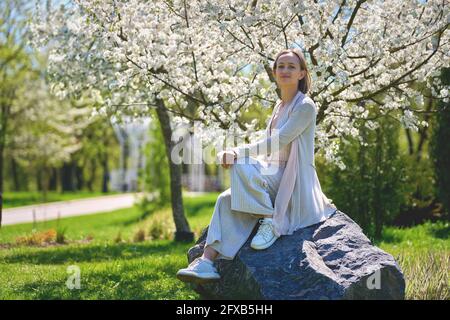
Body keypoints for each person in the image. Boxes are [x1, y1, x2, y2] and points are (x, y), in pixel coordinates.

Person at [176, 48, 337, 284]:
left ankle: (272, 220)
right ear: (274, 72)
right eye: (280, 66)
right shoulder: (278, 107)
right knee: (224, 200)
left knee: (241, 165)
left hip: (294, 182)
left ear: (302, 73)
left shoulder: (306, 106)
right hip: (273, 175)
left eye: (291, 66)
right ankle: (207, 263)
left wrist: (237, 152)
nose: (285, 70)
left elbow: (279, 141)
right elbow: (270, 153)